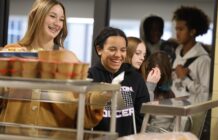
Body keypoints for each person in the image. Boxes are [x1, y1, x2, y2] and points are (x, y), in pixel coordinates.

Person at [0, 0, 110, 131]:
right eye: (52, 16)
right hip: (14, 134)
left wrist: (99, 97)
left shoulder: (69, 59)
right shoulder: (10, 52)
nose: (57, 23)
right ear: (36, 16)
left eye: (61, 19)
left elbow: (80, 101)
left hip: (56, 135)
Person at [88, 27, 150, 137]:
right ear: (99, 49)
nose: (118, 55)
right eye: (112, 49)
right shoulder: (90, 77)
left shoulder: (135, 77)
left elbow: (142, 114)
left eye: (123, 50)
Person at [171, 6, 211, 136]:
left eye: (181, 29)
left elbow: (205, 95)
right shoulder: (177, 54)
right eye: (176, 29)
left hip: (191, 119)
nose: (177, 33)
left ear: (193, 31)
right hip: (173, 113)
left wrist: (185, 79)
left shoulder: (203, 60)